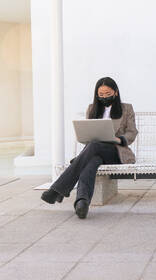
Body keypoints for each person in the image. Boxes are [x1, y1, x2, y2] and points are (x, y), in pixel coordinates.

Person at [41, 77, 138, 219]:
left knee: (93, 147)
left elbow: (132, 132)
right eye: (101, 95)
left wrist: (118, 139)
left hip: (116, 152)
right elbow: (88, 133)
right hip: (95, 151)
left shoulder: (126, 108)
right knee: (92, 161)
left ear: (115, 92)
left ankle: (58, 190)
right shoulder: (92, 108)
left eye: (107, 93)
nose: (104, 97)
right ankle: (82, 202)